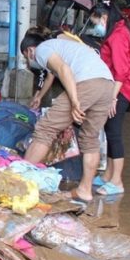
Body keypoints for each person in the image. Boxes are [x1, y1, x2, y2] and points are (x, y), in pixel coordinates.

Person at [20, 32, 115, 202]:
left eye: (26, 57)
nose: (28, 62)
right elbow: (52, 74)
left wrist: (74, 100)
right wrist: (39, 96)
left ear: (29, 50)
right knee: (90, 138)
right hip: (107, 84)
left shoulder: (41, 49)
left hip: (87, 83)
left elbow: (64, 70)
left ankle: (19, 181)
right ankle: (85, 190)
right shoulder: (60, 47)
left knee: (45, 128)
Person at [86, 3, 130, 195]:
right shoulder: (121, 29)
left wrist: (112, 98)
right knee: (110, 132)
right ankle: (108, 175)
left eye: (96, 22)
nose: (97, 28)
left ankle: (117, 182)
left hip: (121, 90)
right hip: (123, 88)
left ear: (104, 18)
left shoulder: (117, 36)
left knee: (115, 134)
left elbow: (121, 71)